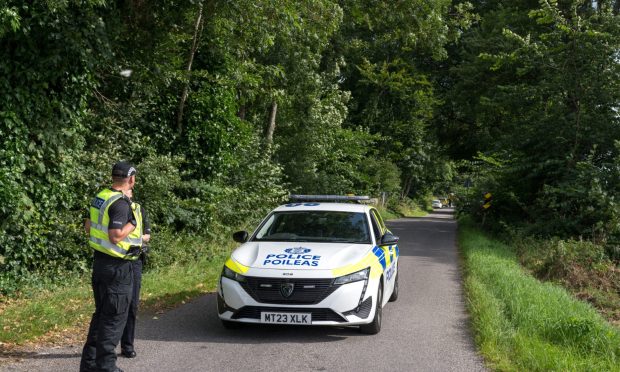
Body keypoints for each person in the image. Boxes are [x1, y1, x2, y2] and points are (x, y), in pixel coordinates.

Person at [80, 161, 144, 372]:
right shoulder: (121, 203)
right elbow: (115, 236)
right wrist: (132, 224)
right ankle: (107, 367)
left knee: (101, 315)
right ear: (131, 179)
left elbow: (88, 226)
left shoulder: (100, 197)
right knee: (114, 319)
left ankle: (89, 365)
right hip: (117, 268)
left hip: (100, 264)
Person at [120, 190, 151, 359]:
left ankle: (127, 345)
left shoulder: (138, 209)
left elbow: (147, 236)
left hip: (134, 261)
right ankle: (102, 348)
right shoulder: (111, 206)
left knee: (132, 304)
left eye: (128, 191)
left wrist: (128, 236)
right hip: (113, 261)